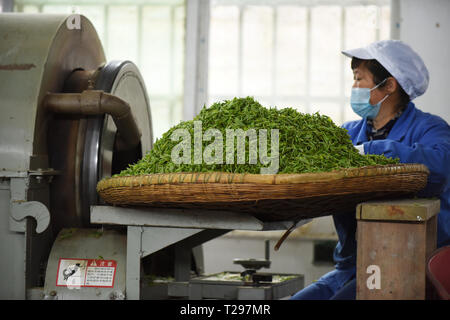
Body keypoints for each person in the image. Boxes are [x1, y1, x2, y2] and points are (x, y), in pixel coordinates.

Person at [291, 40, 450, 300]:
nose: (353, 88)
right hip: (351, 265)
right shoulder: (347, 134)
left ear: (389, 85)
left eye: (358, 79)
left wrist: (373, 151)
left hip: (410, 264)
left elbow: (440, 169)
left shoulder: (430, 129)